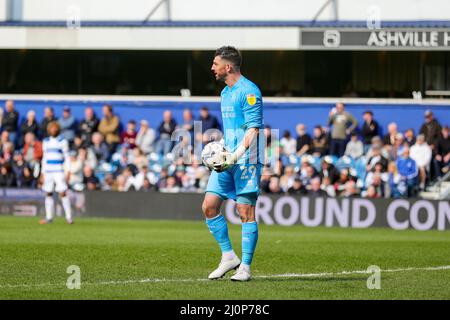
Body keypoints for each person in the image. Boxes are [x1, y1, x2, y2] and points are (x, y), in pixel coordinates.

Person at [203, 46, 263, 282]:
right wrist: (220, 150)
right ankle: (229, 256)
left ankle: (245, 268)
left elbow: (253, 129)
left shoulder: (249, 91)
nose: (212, 67)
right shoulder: (225, 93)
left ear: (227, 67)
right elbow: (233, 128)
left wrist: (235, 155)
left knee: (244, 211)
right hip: (228, 158)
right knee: (209, 206)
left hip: (246, 159)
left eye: (215, 63)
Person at [39, 122, 73, 225]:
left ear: (58, 129)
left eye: (55, 128)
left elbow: (67, 157)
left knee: (62, 192)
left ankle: (69, 217)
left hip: (59, 170)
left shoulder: (62, 141)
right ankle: (49, 217)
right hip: (48, 170)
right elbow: (44, 158)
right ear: (49, 130)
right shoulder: (46, 141)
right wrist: (42, 173)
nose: (53, 130)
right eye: (51, 128)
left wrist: (68, 171)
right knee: (48, 193)